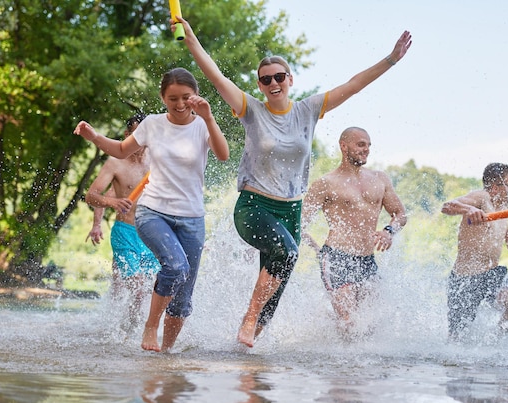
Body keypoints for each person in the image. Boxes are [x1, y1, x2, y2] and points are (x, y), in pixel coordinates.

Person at [175, 15, 412, 347]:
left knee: (273, 300)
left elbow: (354, 84)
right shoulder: (250, 109)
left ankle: (245, 359)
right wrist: (190, 40)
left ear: (290, 79)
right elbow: (215, 77)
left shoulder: (309, 109)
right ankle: (247, 317)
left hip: (290, 212)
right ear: (259, 84)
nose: (273, 83)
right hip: (254, 207)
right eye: (266, 79)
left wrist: (390, 60)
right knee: (286, 253)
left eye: (279, 77)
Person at [74, 68, 229, 352]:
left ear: (194, 96)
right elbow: (120, 150)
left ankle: (165, 353)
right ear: (162, 97)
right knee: (175, 267)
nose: (180, 104)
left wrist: (208, 117)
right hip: (153, 212)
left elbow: (223, 154)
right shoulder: (152, 125)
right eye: (172, 98)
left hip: (192, 217)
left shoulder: (203, 125)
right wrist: (95, 137)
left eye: (186, 98)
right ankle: (150, 326)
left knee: (183, 296)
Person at [301, 127, 407, 335]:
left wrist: (389, 231)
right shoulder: (326, 183)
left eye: (368, 145)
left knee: (370, 327)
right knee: (349, 324)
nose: (366, 149)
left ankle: (329, 332)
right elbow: (299, 224)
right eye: (360, 144)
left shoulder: (380, 179)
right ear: (344, 146)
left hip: (367, 261)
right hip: (336, 258)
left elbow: (400, 214)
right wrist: (317, 249)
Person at [85, 114, 161, 332]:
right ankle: (123, 331)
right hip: (125, 233)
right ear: (127, 136)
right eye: (136, 136)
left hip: (151, 233)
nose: (140, 142)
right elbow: (92, 196)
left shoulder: (157, 161)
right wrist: (111, 205)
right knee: (136, 287)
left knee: (149, 289)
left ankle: (131, 329)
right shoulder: (115, 163)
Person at [441, 163, 508, 342]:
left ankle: (492, 339)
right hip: (465, 278)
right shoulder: (481, 197)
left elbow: (499, 228)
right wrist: (469, 209)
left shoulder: (504, 205)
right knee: (456, 341)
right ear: (497, 187)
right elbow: (447, 206)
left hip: (492, 273)